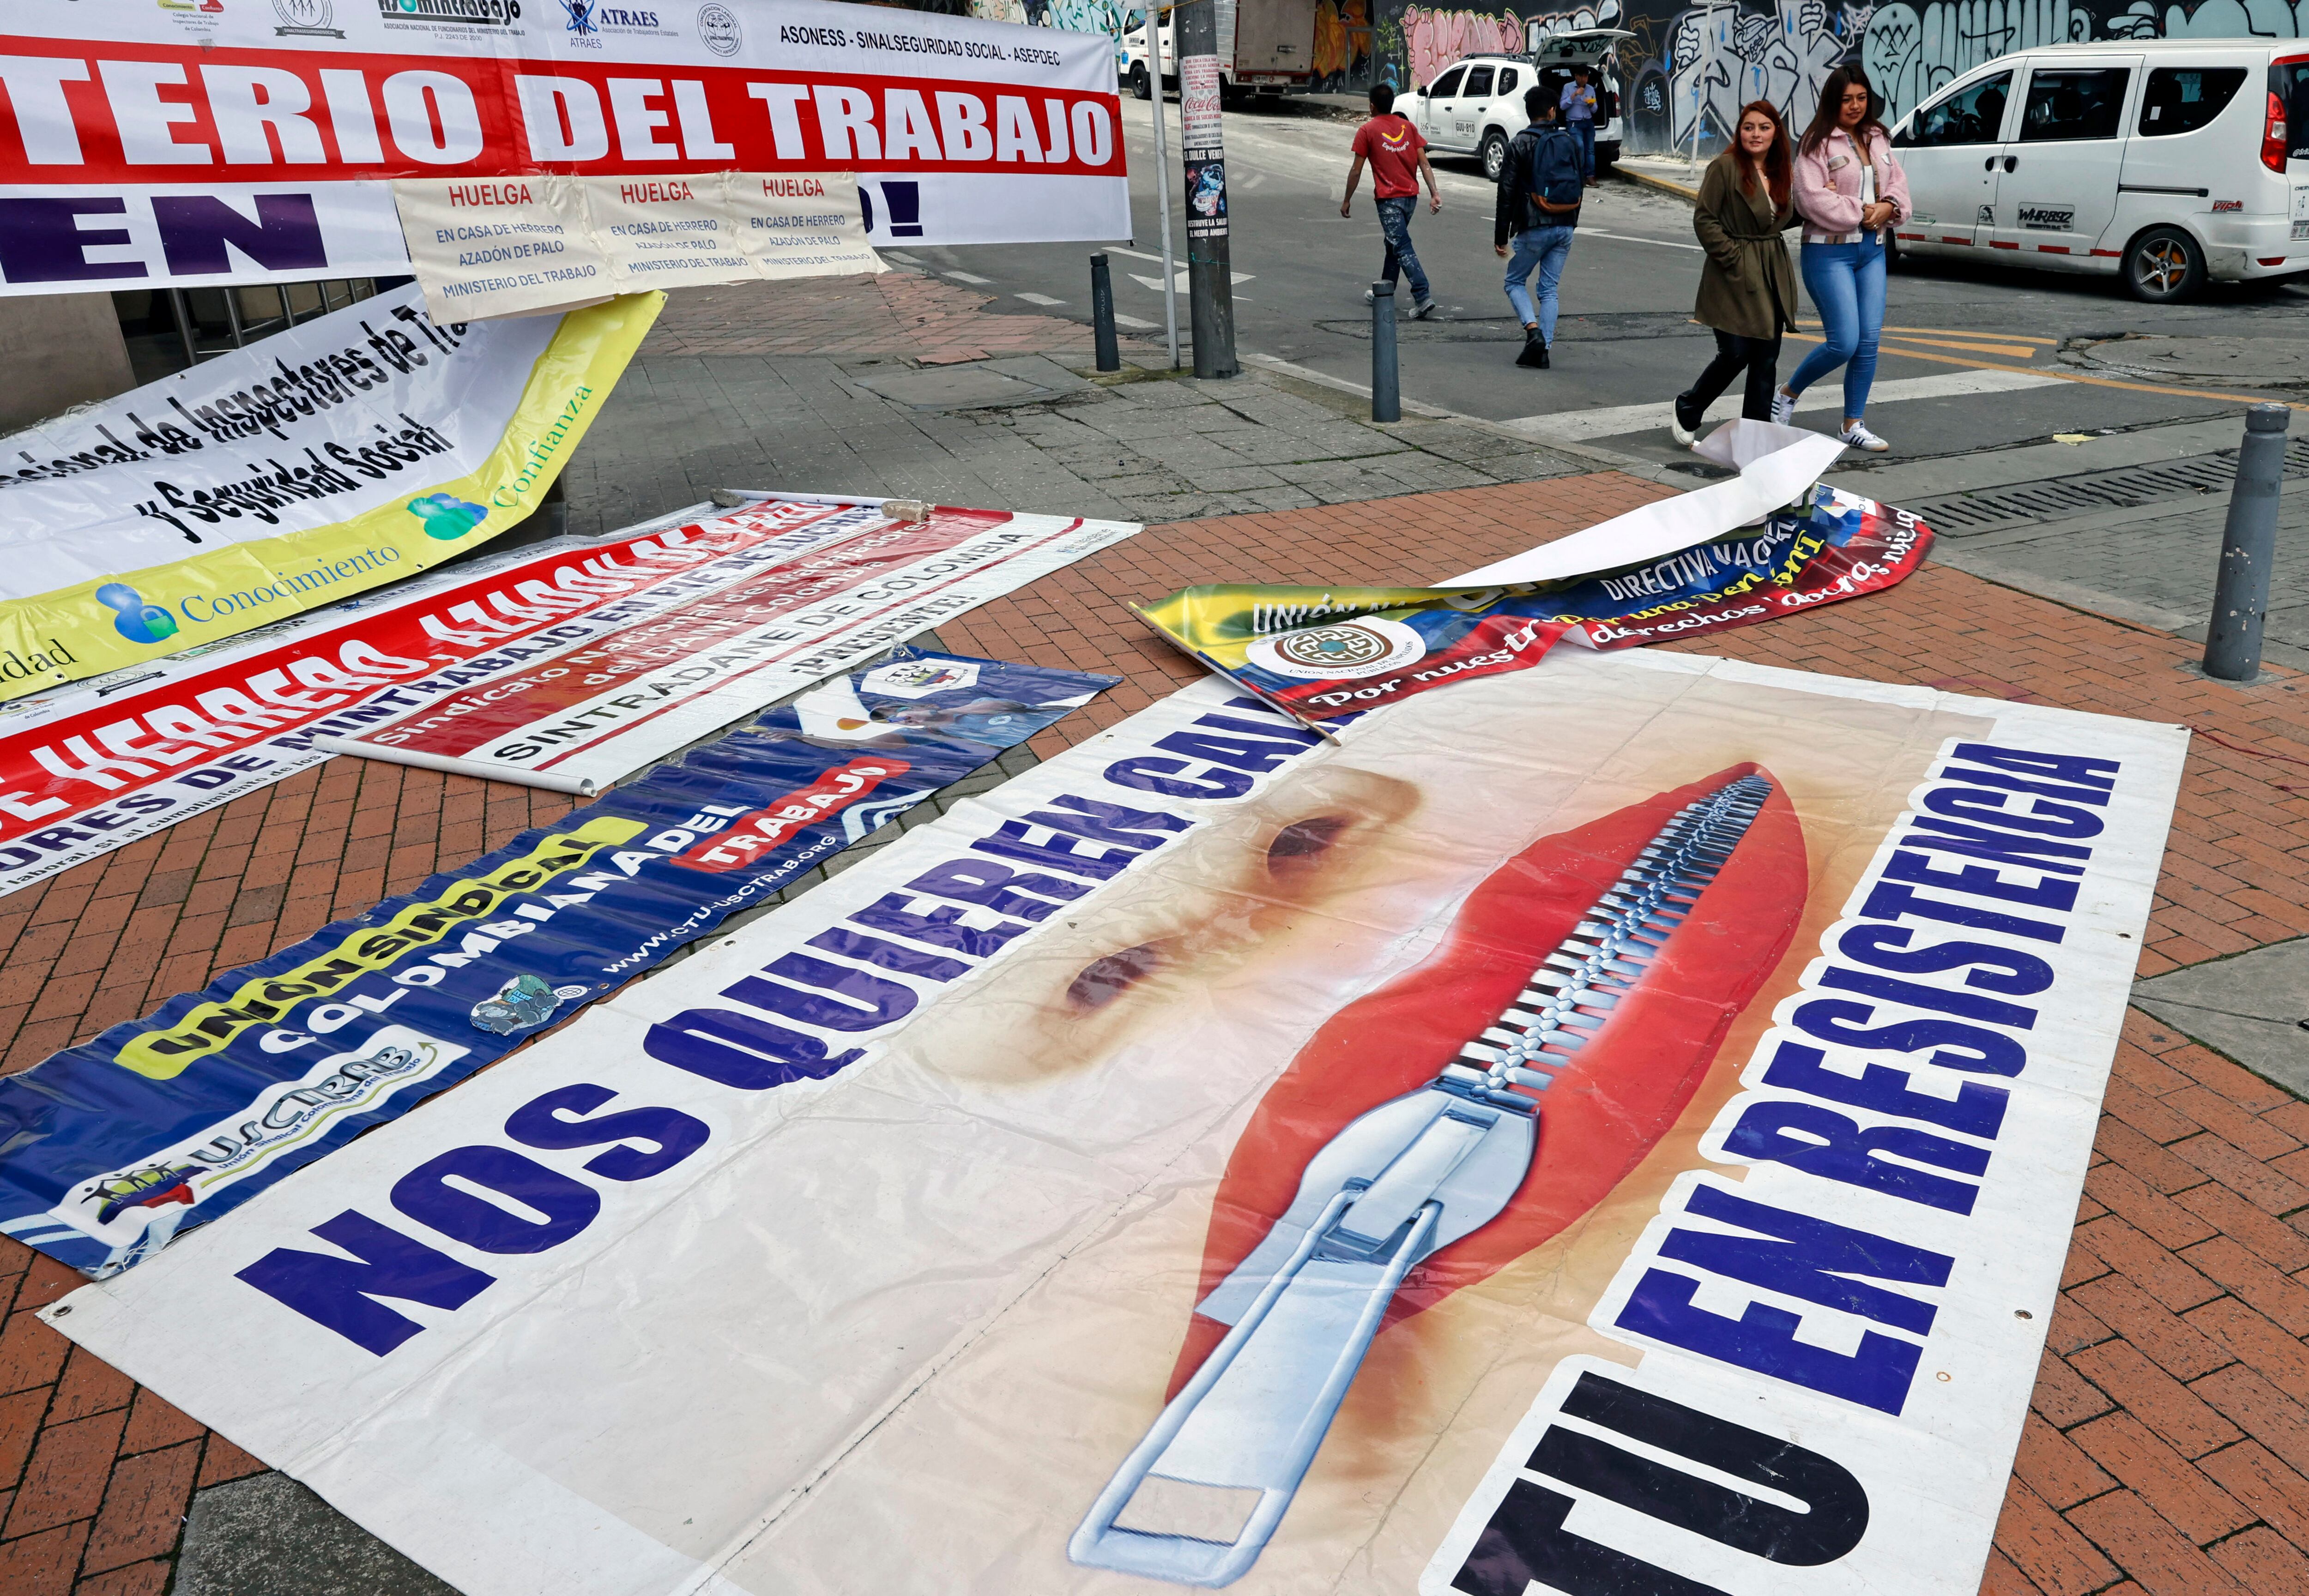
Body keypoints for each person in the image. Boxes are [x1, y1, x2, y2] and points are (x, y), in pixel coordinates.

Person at [1775, 64, 1910, 452]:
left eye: (1861, 98)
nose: (1855, 106)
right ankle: (1787, 394)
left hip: (1872, 252)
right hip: (1828, 252)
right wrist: (1863, 210)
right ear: (1833, 100)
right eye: (1847, 99)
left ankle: (1852, 424)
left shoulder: (1878, 137)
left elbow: (1899, 186)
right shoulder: (1816, 143)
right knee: (1844, 342)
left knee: (1868, 342)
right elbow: (1810, 197)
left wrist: (1891, 207)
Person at [1670, 100, 1798, 446]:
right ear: (1739, 131)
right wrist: (1733, 257)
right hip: (1732, 273)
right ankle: (1688, 407)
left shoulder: (1782, 170)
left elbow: (1781, 217)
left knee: (1766, 359)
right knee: (1736, 353)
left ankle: (1754, 438)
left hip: (1770, 270)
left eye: (1764, 127)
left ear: (1776, 133)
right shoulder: (1725, 167)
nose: (1756, 134)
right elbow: (1705, 219)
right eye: (1748, 127)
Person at [1493, 88, 1584, 369]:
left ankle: (1533, 332)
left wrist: (1501, 236)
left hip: (1534, 227)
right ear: (1552, 111)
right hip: (1565, 225)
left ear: (1529, 112)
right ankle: (1543, 350)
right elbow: (1578, 182)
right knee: (1549, 290)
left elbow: (1506, 192)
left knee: (1514, 282)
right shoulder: (1568, 141)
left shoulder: (1519, 143)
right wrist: (1570, 220)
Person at [1342, 81, 1441, 319]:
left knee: (1401, 246)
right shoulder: (1408, 127)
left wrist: (1347, 200)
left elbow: (1356, 170)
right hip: (1411, 198)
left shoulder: (1367, 131)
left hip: (1389, 201)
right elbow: (1424, 163)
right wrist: (1434, 193)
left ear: (1372, 106)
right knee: (1394, 244)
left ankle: (1423, 295)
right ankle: (1385, 291)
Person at [1559, 64, 1598, 178]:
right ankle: (1580, 175)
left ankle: (1590, 176)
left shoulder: (1591, 89)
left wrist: (1591, 104)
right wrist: (1574, 95)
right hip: (1574, 123)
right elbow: (1562, 106)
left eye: (1586, 77)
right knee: (1580, 147)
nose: (1584, 79)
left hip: (1588, 122)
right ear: (1576, 76)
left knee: (1590, 149)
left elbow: (1596, 109)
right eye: (1581, 76)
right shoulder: (1568, 87)